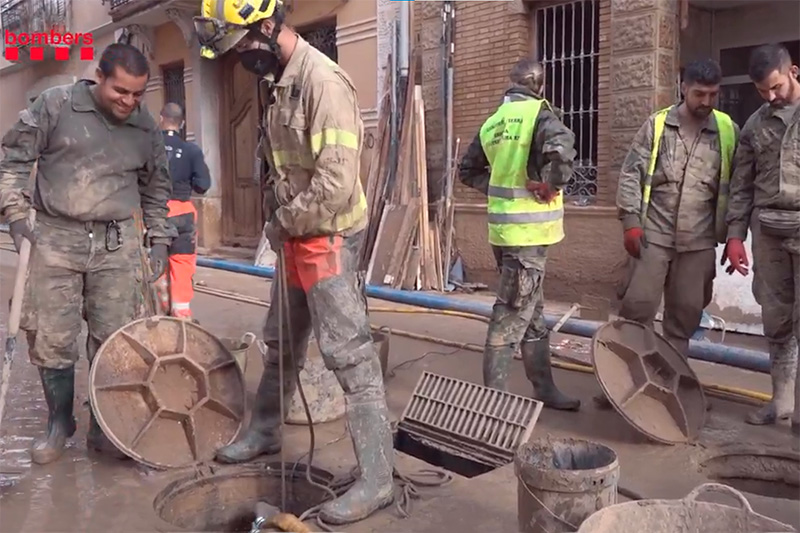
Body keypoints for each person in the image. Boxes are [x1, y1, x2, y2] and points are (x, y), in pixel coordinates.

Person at [193, 0, 392, 525]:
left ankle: (377, 479)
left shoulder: (323, 83)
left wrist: (284, 221)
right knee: (281, 341)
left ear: (266, 26)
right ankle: (263, 430)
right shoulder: (281, 82)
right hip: (295, 239)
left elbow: (336, 184)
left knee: (350, 358)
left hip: (325, 239)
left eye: (241, 48)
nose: (239, 60)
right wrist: (279, 221)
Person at [0, 43, 175, 464]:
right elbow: (13, 161)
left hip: (118, 243)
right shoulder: (56, 105)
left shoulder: (145, 125)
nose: (128, 102)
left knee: (116, 340)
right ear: (99, 75)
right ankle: (60, 423)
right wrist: (17, 215)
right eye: (121, 91)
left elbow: (156, 186)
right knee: (51, 338)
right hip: (55, 238)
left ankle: (105, 426)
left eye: (137, 94)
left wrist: (161, 238)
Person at [601, 59, 739, 410]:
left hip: (699, 242)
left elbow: (738, 187)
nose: (706, 101)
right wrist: (630, 220)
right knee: (636, 310)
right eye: (699, 93)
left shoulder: (726, 130)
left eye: (713, 94)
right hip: (653, 236)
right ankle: (617, 386)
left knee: (684, 319)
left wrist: (734, 233)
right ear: (683, 87)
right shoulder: (658, 125)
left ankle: (673, 389)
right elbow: (631, 173)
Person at [458, 58, 581, 412]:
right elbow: (562, 147)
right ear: (539, 85)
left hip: (504, 232)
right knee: (511, 314)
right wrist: (550, 185)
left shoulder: (493, 122)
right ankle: (492, 403)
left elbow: (467, 171)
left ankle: (545, 389)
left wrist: (500, 187)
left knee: (532, 311)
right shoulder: (538, 114)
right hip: (528, 235)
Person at [723, 43, 800, 430]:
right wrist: (735, 237)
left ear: (794, 73)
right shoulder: (755, 125)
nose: (770, 96)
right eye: (762, 90)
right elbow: (741, 186)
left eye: (775, 87)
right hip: (768, 230)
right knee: (778, 320)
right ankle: (780, 403)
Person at [158, 102, 211, 319]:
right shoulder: (192, 151)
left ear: (161, 119)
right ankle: (181, 316)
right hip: (183, 212)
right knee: (182, 264)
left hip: (154, 213)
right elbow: (203, 185)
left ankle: (159, 313)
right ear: (182, 124)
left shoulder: (149, 147)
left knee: (156, 263)